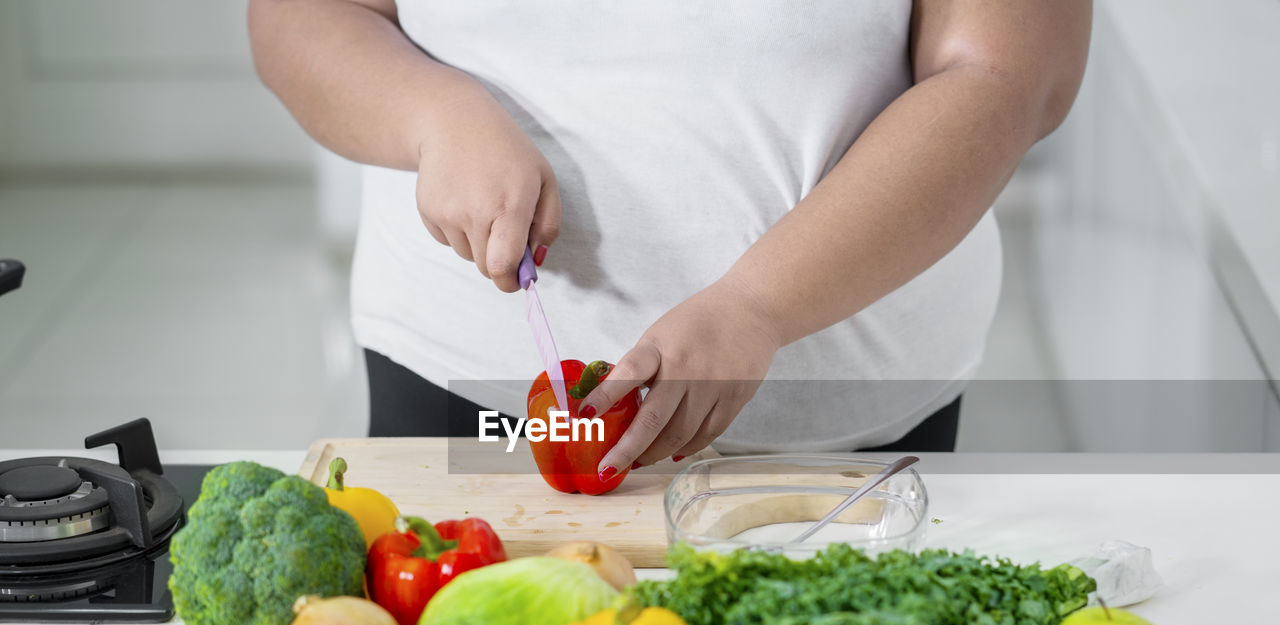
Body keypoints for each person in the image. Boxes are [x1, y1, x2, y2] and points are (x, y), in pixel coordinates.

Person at [249, 0, 1090, 478]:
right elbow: (303, 16)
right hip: (462, 384)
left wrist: (761, 304)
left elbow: (1008, 73)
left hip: (835, 422)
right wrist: (432, 117)